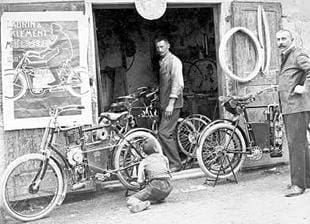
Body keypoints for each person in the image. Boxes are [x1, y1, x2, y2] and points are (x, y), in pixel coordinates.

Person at [276, 29, 310, 197]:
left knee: (295, 144)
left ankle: (298, 185)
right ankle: (307, 180)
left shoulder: (298, 54)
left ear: (292, 39)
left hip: (297, 106)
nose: (280, 42)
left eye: (284, 38)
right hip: (291, 107)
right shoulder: (286, 56)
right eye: (278, 39)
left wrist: (305, 88)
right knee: (301, 143)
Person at [155, 36, 184, 172]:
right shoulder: (163, 61)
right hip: (164, 103)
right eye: (158, 47)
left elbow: (177, 84)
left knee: (164, 133)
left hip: (172, 104)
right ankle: (168, 161)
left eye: (162, 47)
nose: (159, 49)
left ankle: (176, 164)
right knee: (165, 133)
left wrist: (171, 103)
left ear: (168, 46)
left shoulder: (174, 61)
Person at [126, 138, 173, 213]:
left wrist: (139, 183)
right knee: (154, 192)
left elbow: (140, 181)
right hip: (169, 186)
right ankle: (157, 198)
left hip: (155, 186)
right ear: (156, 148)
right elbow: (168, 172)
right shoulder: (164, 158)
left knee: (131, 199)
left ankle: (140, 204)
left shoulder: (144, 161)